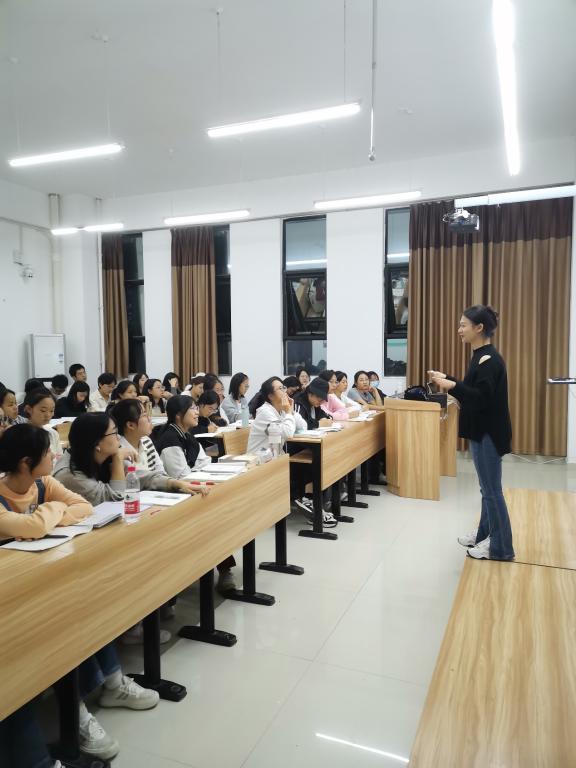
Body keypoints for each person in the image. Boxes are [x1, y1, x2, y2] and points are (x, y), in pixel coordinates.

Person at [0, 424, 158, 761]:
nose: (54, 456)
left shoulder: (44, 483)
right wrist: (47, 516)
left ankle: (109, 685)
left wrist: (46, 515)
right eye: (47, 452)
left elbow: (83, 508)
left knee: (80, 610)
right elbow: (30, 526)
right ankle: (75, 712)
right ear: (26, 462)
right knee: (56, 629)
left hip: (43, 583)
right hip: (11, 600)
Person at [429, 305, 514, 561]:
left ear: (479, 328)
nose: (459, 330)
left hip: (489, 433)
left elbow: (480, 398)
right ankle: (484, 535)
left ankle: (501, 547)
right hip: (482, 431)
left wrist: (451, 385)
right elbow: (472, 390)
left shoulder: (489, 360)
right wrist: (449, 379)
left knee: (492, 491)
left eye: (463, 325)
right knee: (486, 489)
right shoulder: (480, 355)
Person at [152, 396, 236, 593]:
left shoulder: (187, 436)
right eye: (192, 409)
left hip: (191, 490)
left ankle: (223, 567)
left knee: (220, 512)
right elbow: (181, 477)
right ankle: (222, 569)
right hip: (173, 497)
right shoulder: (170, 439)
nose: (197, 412)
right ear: (179, 415)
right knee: (213, 519)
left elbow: (203, 462)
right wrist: (200, 475)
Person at [247, 378, 336, 528]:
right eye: (279, 388)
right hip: (259, 460)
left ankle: (310, 503)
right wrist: (288, 412)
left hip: (274, 457)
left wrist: (291, 410)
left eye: (284, 387)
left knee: (313, 463)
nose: (284, 390)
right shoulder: (265, 412)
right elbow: (287, 433)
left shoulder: (281, 409)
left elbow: (303, 425)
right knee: (304, 466)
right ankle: (308, 504)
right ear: (270, 396)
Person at [23, 388, 62, 458]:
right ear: (29, 409)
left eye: (51, 411)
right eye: (43, 410)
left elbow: (60, 459)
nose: (48, 415)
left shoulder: (53, 434)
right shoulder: (21, 436)